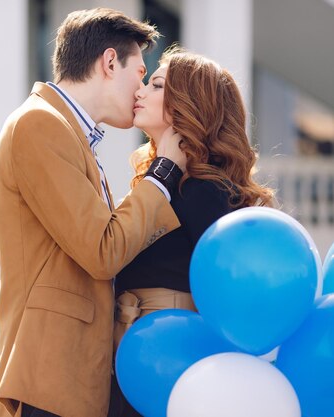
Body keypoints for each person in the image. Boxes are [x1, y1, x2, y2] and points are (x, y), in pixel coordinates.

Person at [0, 8, 190, 417]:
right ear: (110, 62)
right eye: (140, 72)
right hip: (50, 379)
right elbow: (103, 249)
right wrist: (163, 173)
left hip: (68, 377)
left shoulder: (68, 133)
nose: (140, 89)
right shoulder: (39, 125)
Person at [108, 48, 276, 417]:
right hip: (137, 360)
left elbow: (234, 290)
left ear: (188, 103)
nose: (139, 91)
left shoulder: (204, 190)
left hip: (170, 367)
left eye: (155, 85)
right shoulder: (169, 181)